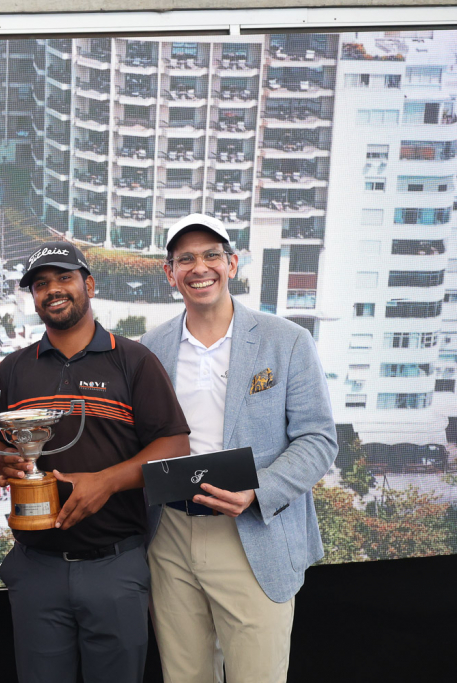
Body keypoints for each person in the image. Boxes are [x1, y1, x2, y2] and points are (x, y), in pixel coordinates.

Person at [0, 242, 191, 683]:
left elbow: (174, 445)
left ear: (88, 284)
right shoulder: (13, 369)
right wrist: (2, 463)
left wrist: (107, 482)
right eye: (40, 284)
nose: (52, 290)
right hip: (36, 567)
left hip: (114, 566)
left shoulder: (133, 360)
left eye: (63, 278)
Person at [140, 214, 337, 683]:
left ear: (231, 264)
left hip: (253, 531)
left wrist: (257, 490)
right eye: (184, 258)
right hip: (170, 535)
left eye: (211, 255)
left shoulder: (287, 341)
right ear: (170, 273)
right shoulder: (149, 350)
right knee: (184, 676)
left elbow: (318, 439)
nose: (199, 267)